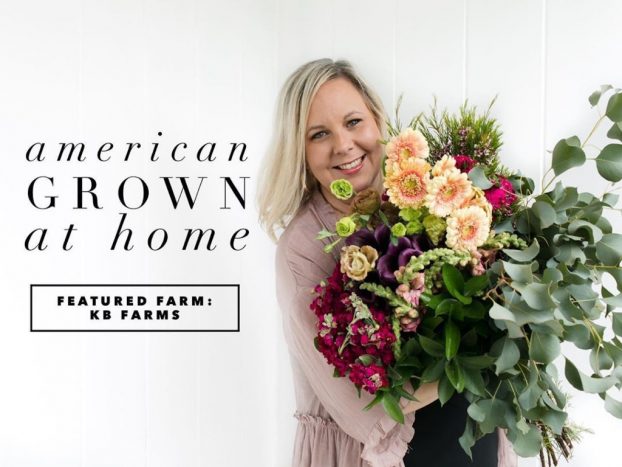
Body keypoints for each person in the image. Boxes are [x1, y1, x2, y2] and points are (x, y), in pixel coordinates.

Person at [258, 58, 517, 467]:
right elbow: (365, 404)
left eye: (354, 122)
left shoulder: (424, 199)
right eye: (319, 134)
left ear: (377, 122)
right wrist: (488, 344)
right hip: (382, 455)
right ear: (300, 150)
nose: (343, 145)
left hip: (468, 439)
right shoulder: (302, 251)